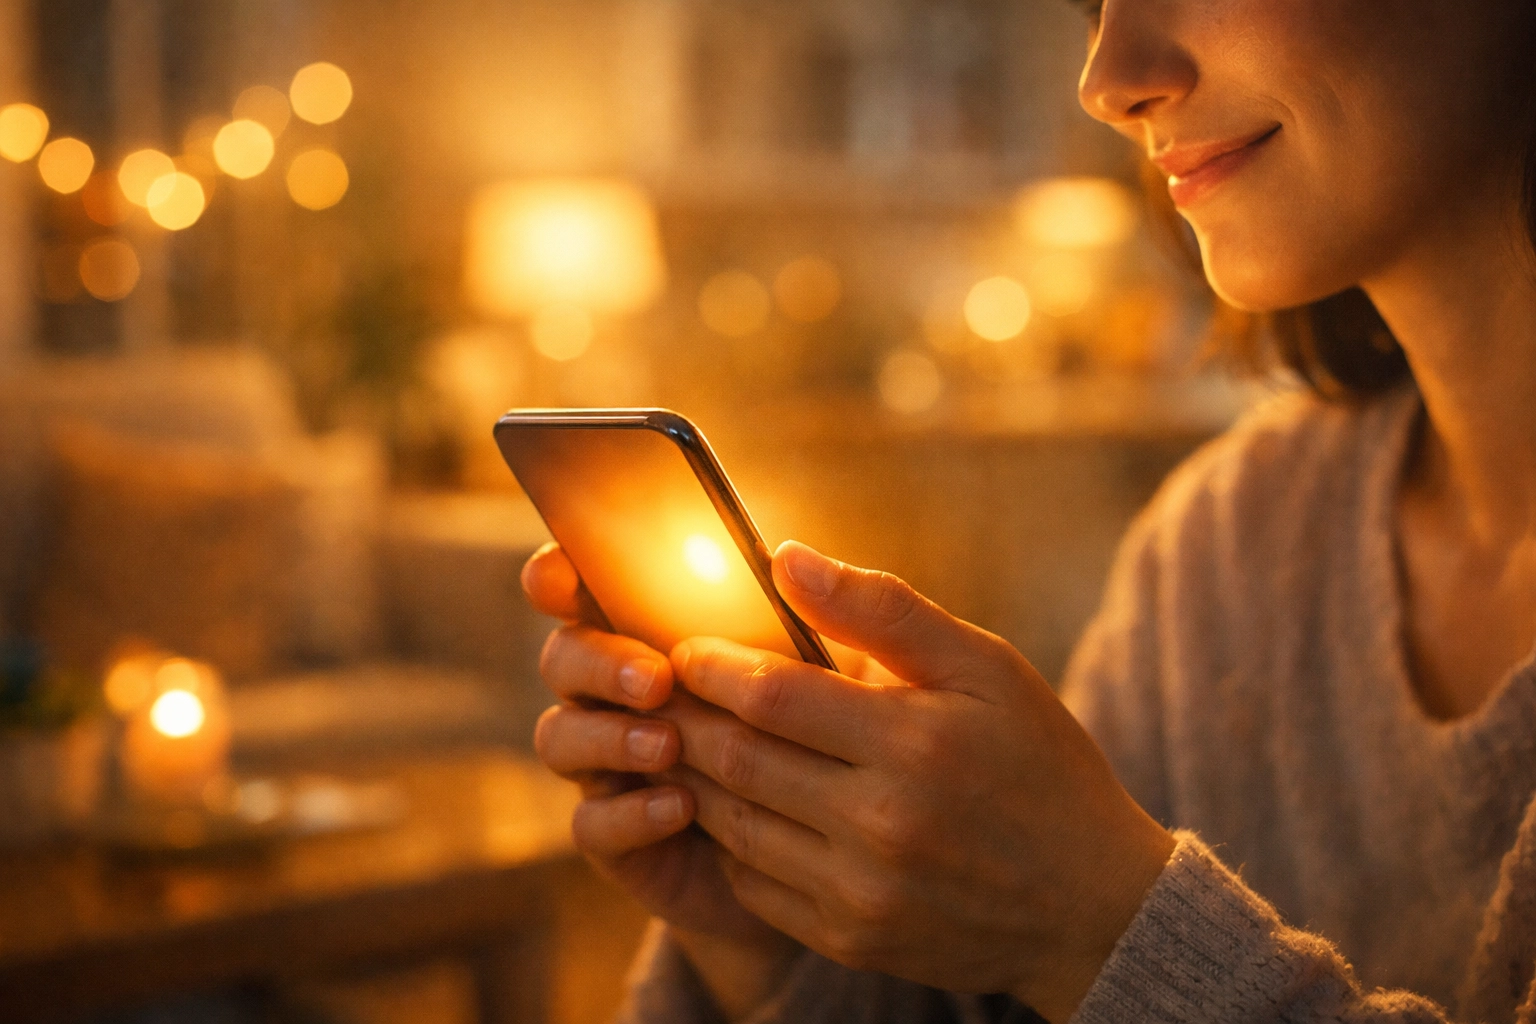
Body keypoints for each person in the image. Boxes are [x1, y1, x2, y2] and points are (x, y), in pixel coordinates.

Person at [522, 0, 1536, 1020]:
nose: (1108, 78)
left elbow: (1075, 947)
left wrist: (1096, 930)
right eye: (1092, 3)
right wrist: (776, 931)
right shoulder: (1231, 543)